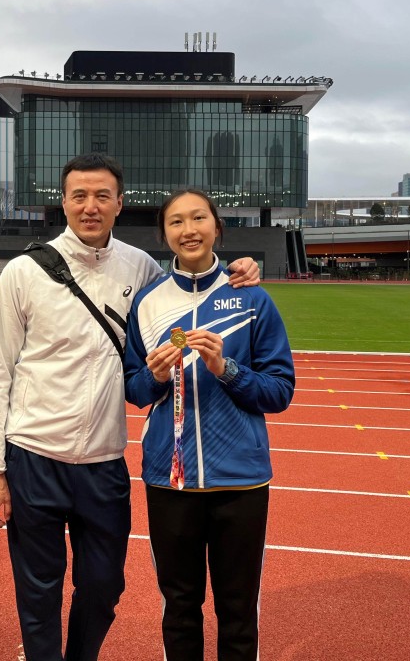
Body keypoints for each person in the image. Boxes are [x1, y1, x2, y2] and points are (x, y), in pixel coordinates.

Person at [0, 155, 261, 661]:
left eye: (102, 196)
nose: (90, 206)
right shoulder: (22, 273)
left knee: (105, 589)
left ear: (119, 203)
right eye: (79, 196)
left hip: (104, 460)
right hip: (34, 455)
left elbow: (191, 280)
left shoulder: (141, 268)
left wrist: (240, 267)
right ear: (63, 201)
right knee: (39, 593)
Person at [123, 188, 295, 661]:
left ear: (217, 227)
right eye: (176, 222)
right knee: (180, 607)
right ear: (165, 235)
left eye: (199, 218)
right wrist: (154, 377)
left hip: (240, 479)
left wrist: (228, 370)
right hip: (169, 479)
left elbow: (281, 391)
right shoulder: (148, 303)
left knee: (237, 609)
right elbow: (134, 390)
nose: (188, 229)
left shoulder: (252, 297)